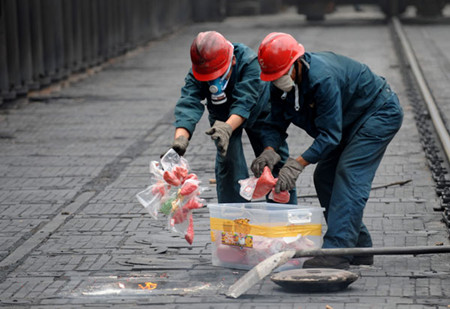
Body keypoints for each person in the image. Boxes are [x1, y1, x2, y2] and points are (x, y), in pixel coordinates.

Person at [252, 32, 403, 269]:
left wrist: (298, 163)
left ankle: (338, 251)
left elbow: (330, 136)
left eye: (281, 74)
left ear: (296, 63)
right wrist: (270, 150)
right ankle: (360, 247)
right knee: (324, 177)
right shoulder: (279, 85)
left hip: (378, 113)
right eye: (273, 76)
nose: (277, 79)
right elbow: (275, 123)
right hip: (348, 121)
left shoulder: (323, 78)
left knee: (348, 172)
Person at [169, 31, 296, 204]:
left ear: (232, 61)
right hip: (222, 116)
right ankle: (235, 219)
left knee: (273, 158)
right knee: (228, 162)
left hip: (260, 110)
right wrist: (180, 141)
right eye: (209, 78)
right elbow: (188, 103)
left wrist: (227, 129)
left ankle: (283, 215)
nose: (214, 82)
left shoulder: (249, 62)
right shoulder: (200, 68)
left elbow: (244, 102)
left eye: (218, 75)